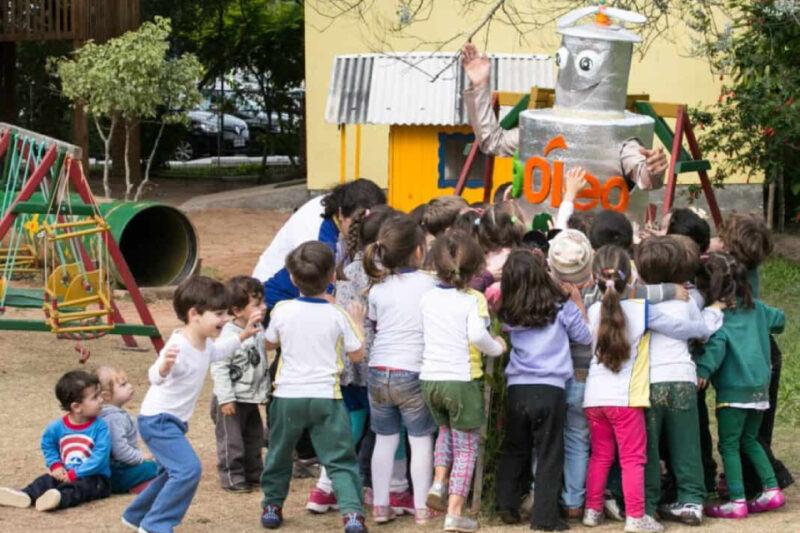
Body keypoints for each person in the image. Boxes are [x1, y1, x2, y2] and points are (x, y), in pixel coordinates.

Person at [581, 245, 721, 533]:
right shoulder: (643, 308)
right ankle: (648, 513)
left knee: (602, 455)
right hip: (630, 396)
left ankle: (598, 510)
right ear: (630, 275)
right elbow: (683, 328)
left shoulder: (593, 308)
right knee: (642, 455)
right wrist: (706, 320)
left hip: (598, 397)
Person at [122, 276, 262, 533]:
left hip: (172, 422)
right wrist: (163, 368)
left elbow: (218, 352)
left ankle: (135, 515)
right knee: (188, 470)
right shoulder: (178, 345)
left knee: (170, 473)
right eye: (219, 314)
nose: (225, 319)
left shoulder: (206, 342)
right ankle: (155, 526)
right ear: (194, 314)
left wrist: (242, 335)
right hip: (158, 421)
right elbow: (154, 376)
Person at [459, 42, 668, 204]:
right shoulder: (544, 129)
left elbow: (643, 178)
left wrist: (654, 172)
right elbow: (492, 141)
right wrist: (480, 86)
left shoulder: (617, 135)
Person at [259, 241, 369, 533]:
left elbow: (269, 343)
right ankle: (352, 515)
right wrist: (357, 323)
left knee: (279, 453)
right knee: (339, 458)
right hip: (326, 397)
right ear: (332, 276)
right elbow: (357, 354)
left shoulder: (282, 309)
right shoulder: (338, 314)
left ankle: (272, 505)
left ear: (293, 278)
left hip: (287, 395)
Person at [307, 205, 398, 513]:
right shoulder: (382, 272)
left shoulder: (348, 266)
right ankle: (348, 485)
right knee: (373, 426)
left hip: (348, 361)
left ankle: (325, 487)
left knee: (351, 423)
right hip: (372, 359)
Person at [495, 249, 592, 531]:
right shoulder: (560, 305)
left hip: (517, 388)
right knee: (550, 452)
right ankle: (545, 518)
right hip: (550, 388)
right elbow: (584, 336)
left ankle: (506, 504)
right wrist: (577, 302)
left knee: (515, 448)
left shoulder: (508, 310)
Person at [419, 231, 507, 533]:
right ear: (475, 268)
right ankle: (455, 513)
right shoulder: (474, 299)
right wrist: (497, 346)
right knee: (467, 447)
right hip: (461, 380)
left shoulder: (427, 297)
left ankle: (439, 482)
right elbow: (478, 336)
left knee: (444, 432)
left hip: (430, 379)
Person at [634, 236, 718, 526]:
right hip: (683, 377)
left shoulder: (637, 300)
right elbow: (702, 331)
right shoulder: (686, 301)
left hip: (651, 380)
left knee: (649, 446)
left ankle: (647, 503)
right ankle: (693, 500)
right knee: (687, 443)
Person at [695, 252, 786, 519]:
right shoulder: (758, 308)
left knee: (729, 444)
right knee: (750, 439)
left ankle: (737, 500)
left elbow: (717, 346)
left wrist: (702, 370)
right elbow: (780, 319)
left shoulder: (721, 318)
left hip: (733, 392)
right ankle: (771, 489)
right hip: (760, 388)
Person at [362, 214, 438, 525]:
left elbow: (376, 322)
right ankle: (422, 506)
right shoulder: (431, 285)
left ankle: (381, 505)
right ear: (419, 251)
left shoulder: (378, 289)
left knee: (384, 438)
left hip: (379, 370)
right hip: (413, 372)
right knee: (420, 440)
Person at [252, 178, 386, 309]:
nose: (362, 232)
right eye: (356, 224)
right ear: (340, 213)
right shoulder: (316, 237)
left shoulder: (342, 211)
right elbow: (315, 297)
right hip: (272, 300)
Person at [0, 370, 111, 512]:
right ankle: (25, 495)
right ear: (76, 407)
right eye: (95, 397)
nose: (101, 400)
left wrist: (74, 474)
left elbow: (99, 458)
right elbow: (48, 445)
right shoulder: (56, 427)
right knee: (45, 480)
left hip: (96, 478)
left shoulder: (100, 427)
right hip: (65, 473)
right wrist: (56, 465)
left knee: (80, 488)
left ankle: (57, 499)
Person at [546, 228, 595, 519]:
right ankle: (574, 501)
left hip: (550, 377)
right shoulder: (600, 289)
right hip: (582, 373)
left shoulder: (541, 294)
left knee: (548, 440)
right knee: (577, 438)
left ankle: (543, 494)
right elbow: (591, 336)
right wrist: (579, 305)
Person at [210, 276, 270, 492]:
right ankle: (232, 476)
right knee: (232, 440)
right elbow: (219, 366)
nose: (263, 307)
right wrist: (225, 398)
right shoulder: (227, 335)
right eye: (257, 304)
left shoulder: (257, 327)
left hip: (250, 397)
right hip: (231, 400)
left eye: (263, 302)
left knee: (254, 437)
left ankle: (254, 473)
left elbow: (261, 358)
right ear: (237, 310)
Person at [96, 366, 159, 495]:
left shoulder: (114, 414)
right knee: (156, 467)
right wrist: (141, 458)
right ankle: (135, 486)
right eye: (123, 385)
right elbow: (119, 451)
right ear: (106, 395)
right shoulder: (113, 418)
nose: (130, 386)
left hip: (120, 467)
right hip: (117, 470)